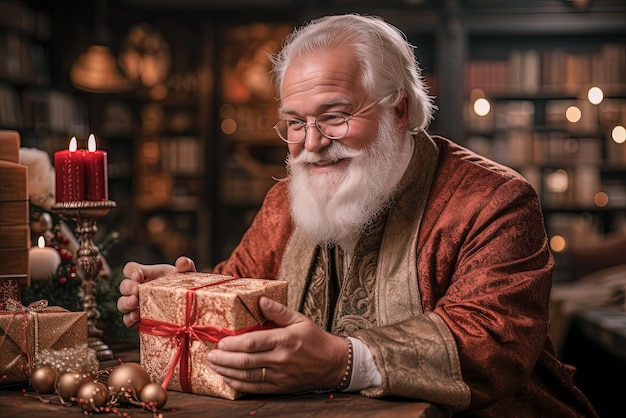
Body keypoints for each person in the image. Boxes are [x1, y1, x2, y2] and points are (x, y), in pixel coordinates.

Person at [118, 14, 598, 417]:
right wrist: (183, 297)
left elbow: (493, 342)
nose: (311, 144)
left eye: (334, 116)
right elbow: (240, 294)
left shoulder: (495, 201)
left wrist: (343, 362)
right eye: (295, 123)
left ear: (400, 110)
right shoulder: (282, 202)